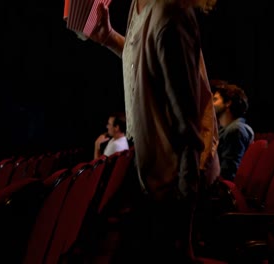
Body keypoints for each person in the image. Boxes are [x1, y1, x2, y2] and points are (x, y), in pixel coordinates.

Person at [71, 0, 221, 262]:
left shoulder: (169, 12)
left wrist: (182, 227)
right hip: (153, 177)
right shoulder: (138, 5)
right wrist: (108, 38)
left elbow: (189, 133)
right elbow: (141, 60)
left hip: (174, 186)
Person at [212, 81, 254, 181]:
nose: (211, 104)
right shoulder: (227, 129)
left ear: (228, 103)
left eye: (215, 100)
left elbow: (227, 174)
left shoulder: (235, 130)